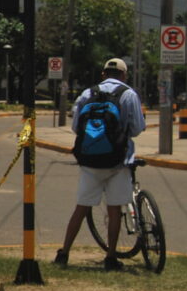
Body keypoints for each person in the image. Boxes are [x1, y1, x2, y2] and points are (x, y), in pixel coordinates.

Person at [54, 57, 145, 271]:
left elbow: (77, 127)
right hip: (117, 162)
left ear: (103, 74)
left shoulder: (88, 94)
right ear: (124, 75)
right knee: (114, 211)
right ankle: (111, 256)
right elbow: (137, 129)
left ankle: (64, 253)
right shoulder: (129, 94)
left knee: (81, 208)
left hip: (90, 162)